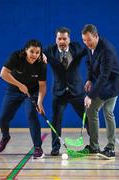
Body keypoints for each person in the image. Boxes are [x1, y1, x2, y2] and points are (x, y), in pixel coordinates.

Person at [81, 24, 119, 159]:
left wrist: (90, 95)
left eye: (89, 39)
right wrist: (89, 80)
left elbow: (104, 76)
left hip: (112, 84)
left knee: (102, 111)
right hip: (103, 83)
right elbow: (89, 63)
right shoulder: (90, 46)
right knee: (98, 110)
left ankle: (110, 148)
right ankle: (94, 147)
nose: (86, 43)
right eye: (84, 40)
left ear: (96, 36)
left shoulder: (106, 49)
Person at [0, 39, 47, 159]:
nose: (34, 55)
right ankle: (5, 136)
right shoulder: (16, 57)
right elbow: (3, 73)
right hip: (13, 90)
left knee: (31, 115)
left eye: (37, 52)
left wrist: (40, 102)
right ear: (26, 50)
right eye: (32, 52)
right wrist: (19, 85)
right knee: (3, 118)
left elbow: (42, 85)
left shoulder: (41, 64)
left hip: (32, 91)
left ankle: (38, 148)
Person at [44, 27, 88, 156]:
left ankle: (94, 145)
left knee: (89, 119)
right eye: (59, 38)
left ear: (69, 39)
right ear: (56, 39)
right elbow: (38, 54)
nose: (62, 41)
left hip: (77, 91)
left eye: (64, 38)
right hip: (59, 92)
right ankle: (55, 147)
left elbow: (91, 53)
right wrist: (41, 56)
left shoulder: (77, 47)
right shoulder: (49, 50)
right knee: (56, 121)